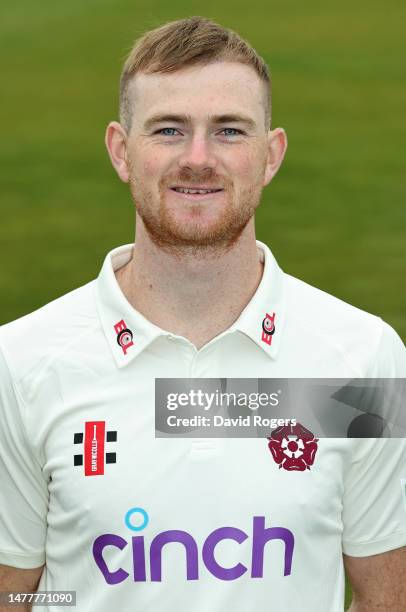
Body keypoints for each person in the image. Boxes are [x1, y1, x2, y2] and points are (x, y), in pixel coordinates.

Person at [0, 16, 405, 612]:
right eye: (168, 129)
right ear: (121, 151)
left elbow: (383, 596)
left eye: (229, 131)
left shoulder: (362, 359)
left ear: (270, 156)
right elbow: (18, 596)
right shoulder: (21, 362)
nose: (198, 158)